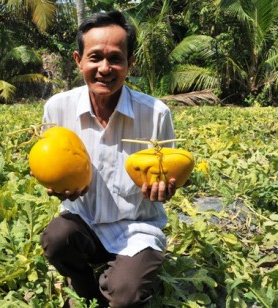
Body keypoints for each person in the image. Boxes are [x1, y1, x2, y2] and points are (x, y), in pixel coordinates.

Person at [40, 10, 178, 308]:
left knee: (126, 297)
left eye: (115, 58)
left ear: (130, 63)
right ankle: (85, 285)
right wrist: (54, 184)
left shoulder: (155, 113)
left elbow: (166, 176)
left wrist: (165, 190)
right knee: (56, 238)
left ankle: (119, 280)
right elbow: (49, 162)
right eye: (95, 57)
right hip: (83, 222)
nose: (105, 68)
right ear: (78, 60)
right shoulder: (57, 109)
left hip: (136, 230)